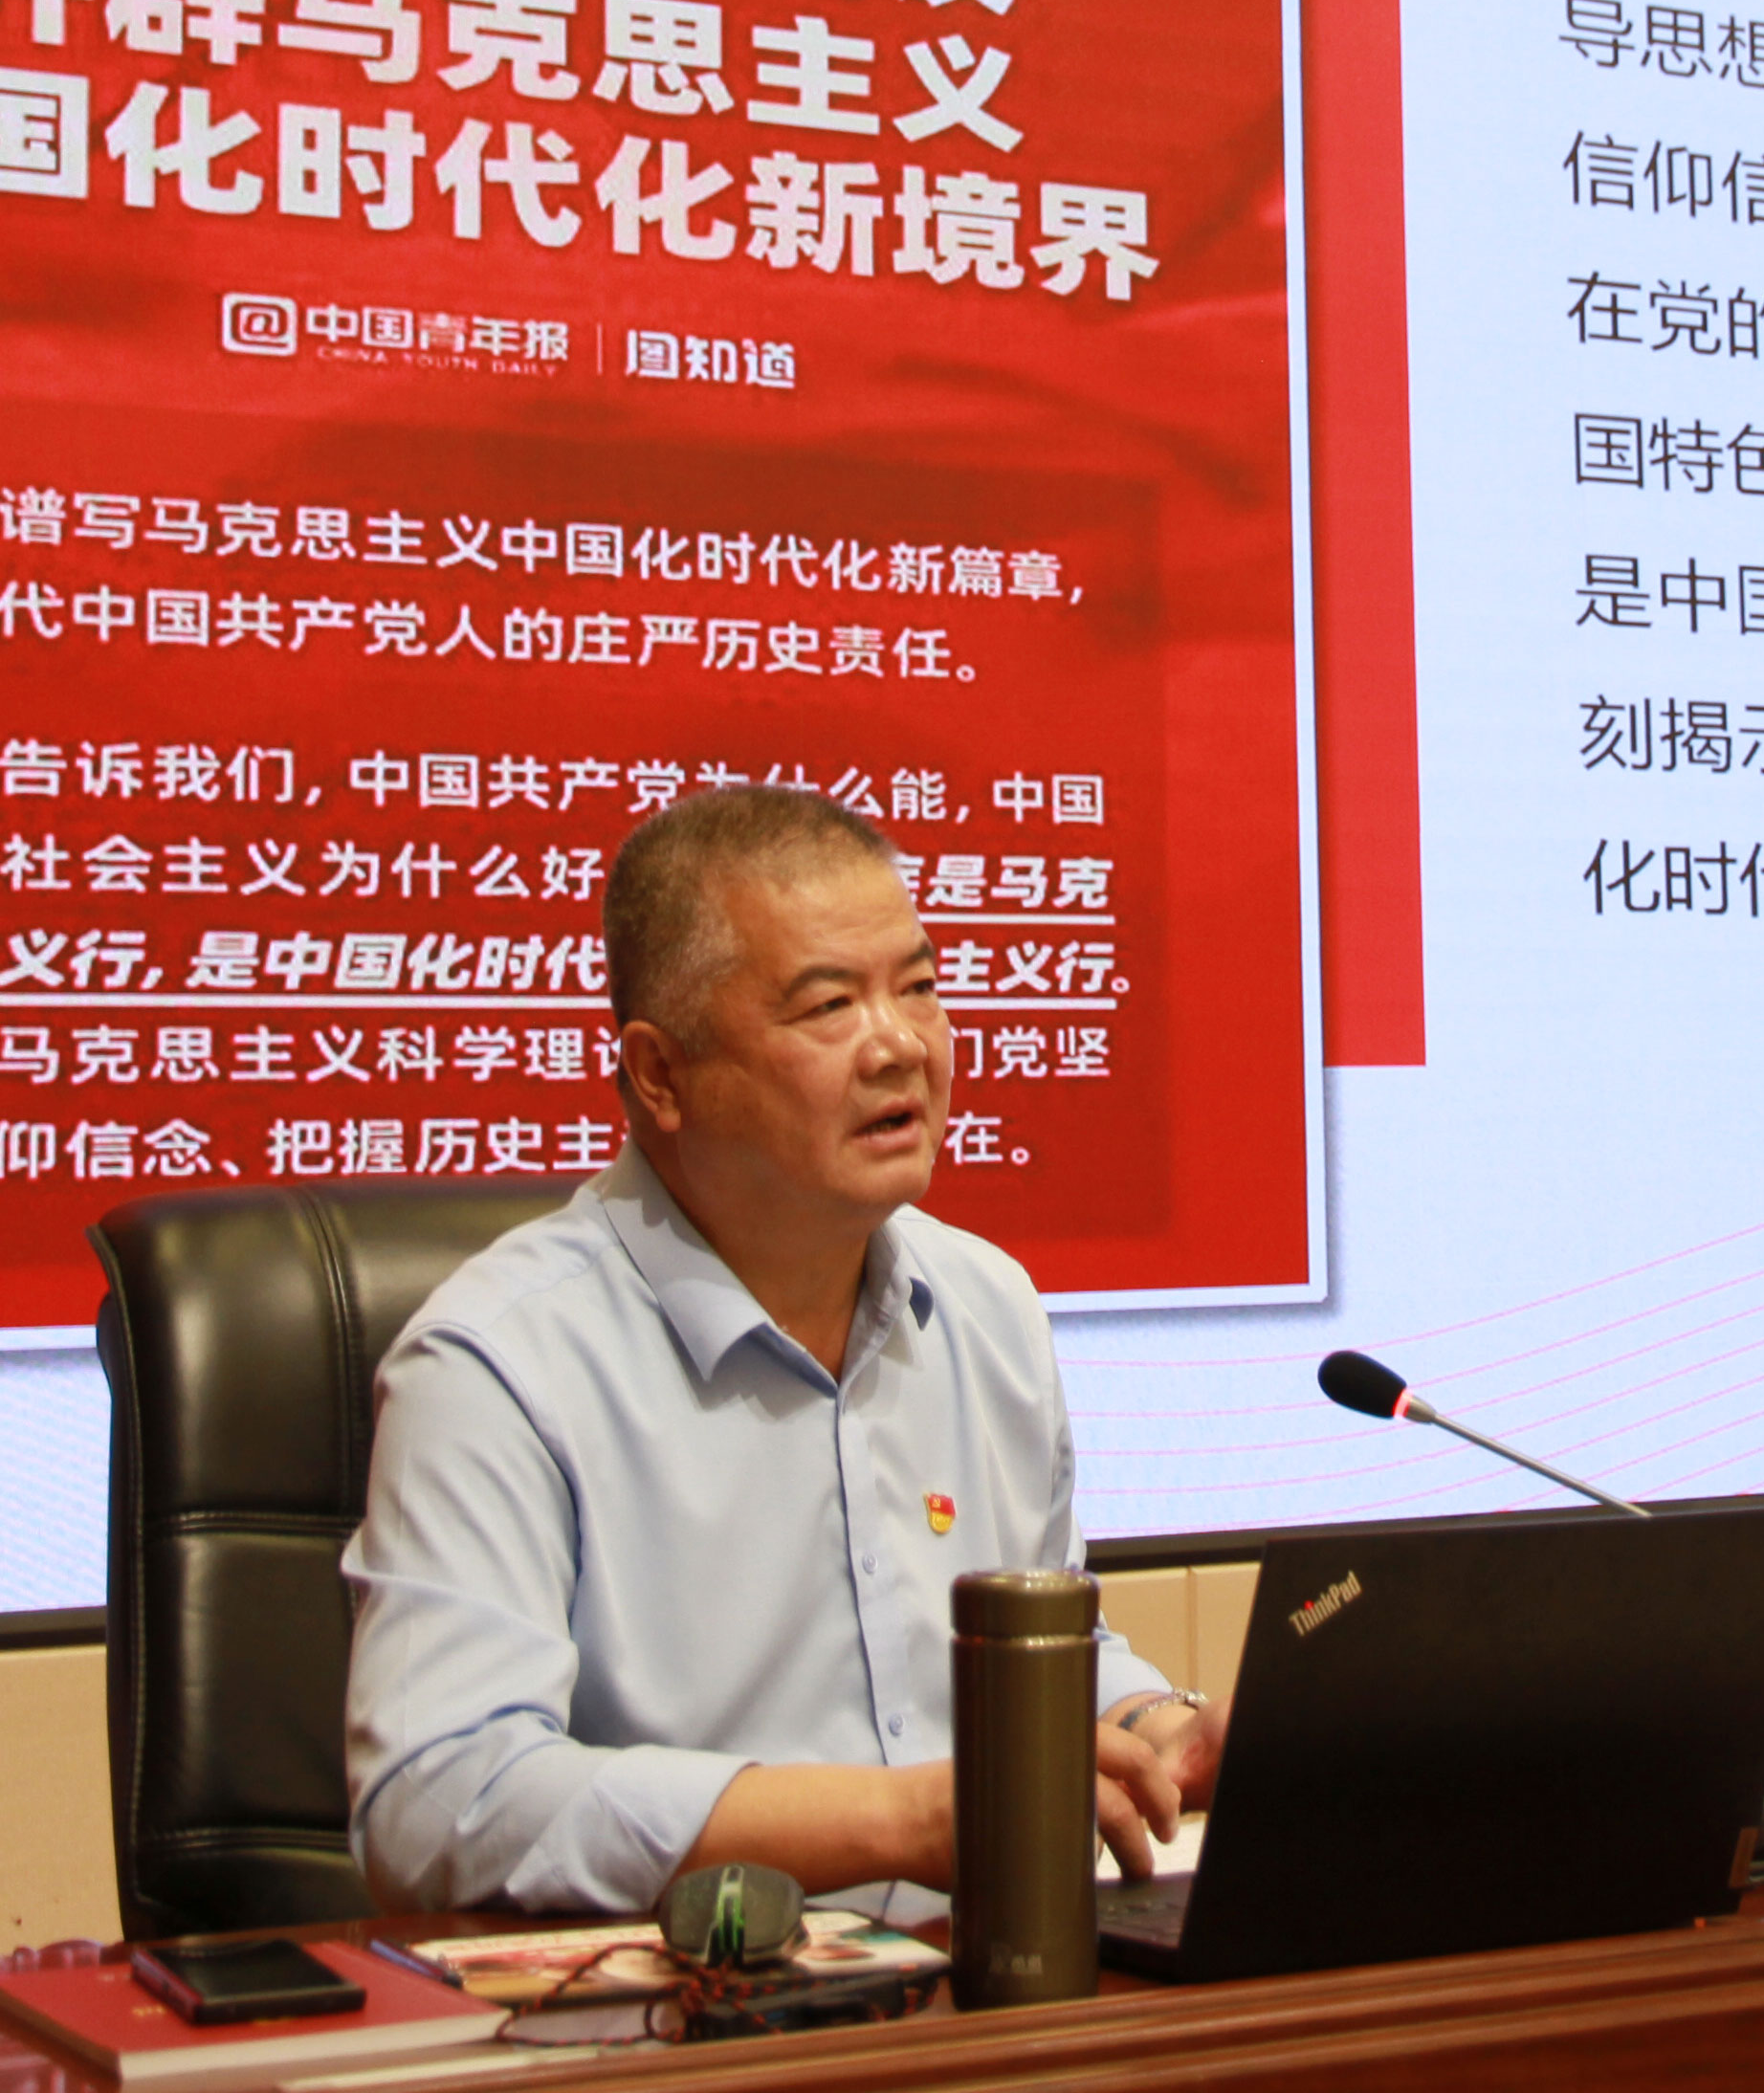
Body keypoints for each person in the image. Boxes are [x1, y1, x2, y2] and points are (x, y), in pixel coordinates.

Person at [344, 782, 1224, 1913]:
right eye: (830, 1006)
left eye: (920, 988)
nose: (901, 1046)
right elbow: (438, 1805)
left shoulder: (986, 1307)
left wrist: (1155, 1725)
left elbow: (1047, 1661)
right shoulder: (500, 1366)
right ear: (659, 1076)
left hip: (984, 1987)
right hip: (696, 2003)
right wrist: (901, 1822)